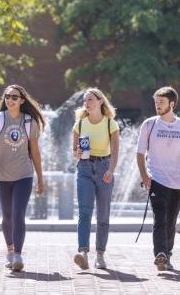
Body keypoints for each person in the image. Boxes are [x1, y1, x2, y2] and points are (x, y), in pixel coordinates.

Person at [136, 86, 180, 271]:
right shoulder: (149, 124)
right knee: (160, 219)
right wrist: (145, 176)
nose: (157, 105)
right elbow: (140, 153)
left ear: (172, 104)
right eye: (156, 102)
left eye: (161, 102)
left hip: (178, 181)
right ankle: (160, 254)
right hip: (157, 179)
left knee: (171, 221)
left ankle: (167, 254)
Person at [0, 85, 45, 272]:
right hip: (3, 176)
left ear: (22, 101)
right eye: (7, 96)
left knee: (19, 213)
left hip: (24, 175)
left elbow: (35, 152)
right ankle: (10, 250)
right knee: (8, 216)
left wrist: (40, 178)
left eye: (14, 97)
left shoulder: (29, 122)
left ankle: (18, 254)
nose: (10, 99)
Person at [72, 88, 120, 270]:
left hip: (104, 168)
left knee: (103, 214)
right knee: (85, 212)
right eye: (85, 100)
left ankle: (100, 254)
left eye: (90, 99)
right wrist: (77, 152)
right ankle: (83, 253)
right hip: (84, 168)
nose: (87, 103)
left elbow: (115, 151)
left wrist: (111, 170)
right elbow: (74, 152)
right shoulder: (80, 124)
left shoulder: (110, 124)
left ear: (100, 101)